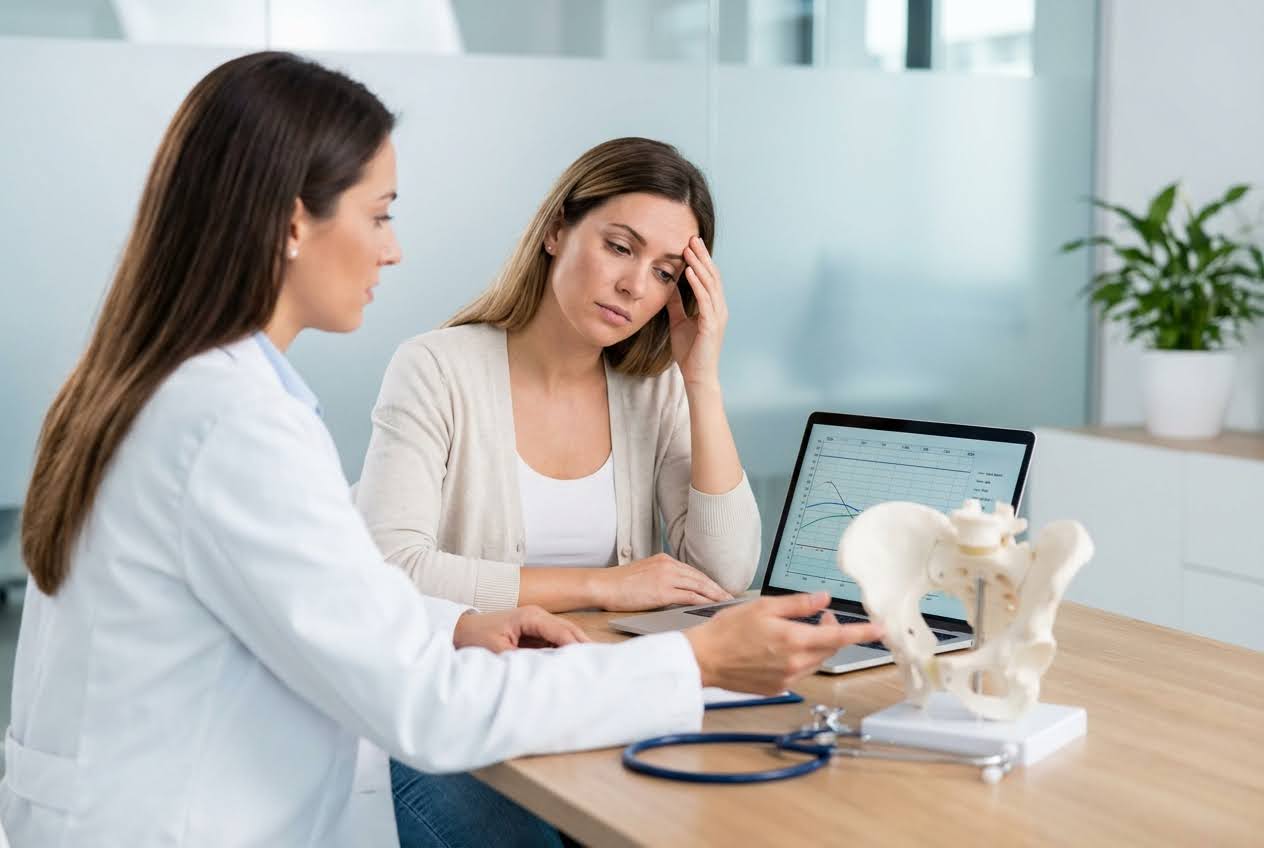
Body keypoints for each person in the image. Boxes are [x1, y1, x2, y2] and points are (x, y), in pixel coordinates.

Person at [2, 52, 880, 847]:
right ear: (289, 223)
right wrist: (694, 659)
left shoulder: (172, 386)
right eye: (378, 215)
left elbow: (340, 603)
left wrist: (456, 622)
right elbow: (423, 705)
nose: (394, 248)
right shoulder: (232, 423)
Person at [355, 138, 759, 616]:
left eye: (665, 273)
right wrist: (602, 587)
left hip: (606, 674)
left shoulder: (655, 390)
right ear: (555, 231)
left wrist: (701, 383)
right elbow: (391, 566)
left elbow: (724, 577)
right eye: (620, 247)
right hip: (478, 678)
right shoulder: (435, 369)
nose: (634, 286)